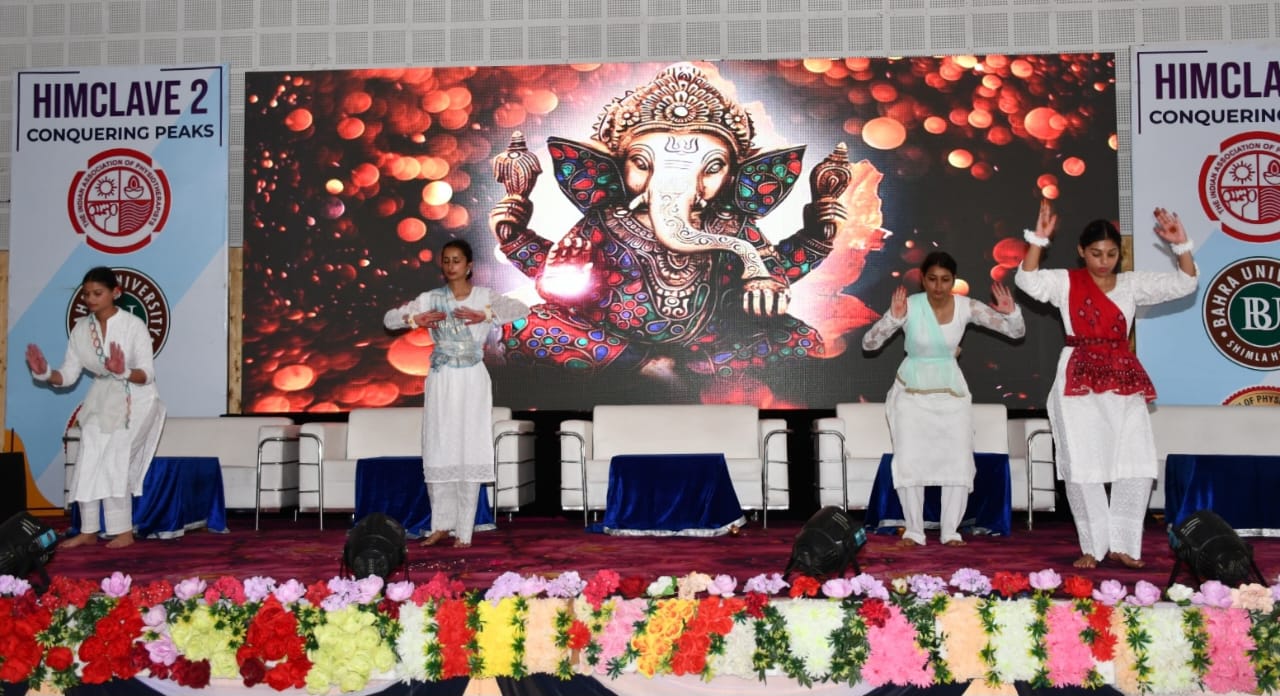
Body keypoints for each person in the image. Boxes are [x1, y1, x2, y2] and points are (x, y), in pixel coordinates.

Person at [1016, 202, 1198, 569]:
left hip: (1122, 378)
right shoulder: (1065, 282)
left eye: (1112, 254)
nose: (1104, 261)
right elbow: (1027, 280)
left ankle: (1124, 544)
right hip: (1077, 381)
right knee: (1082, 462)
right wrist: (1038, 240)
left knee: (1136, 461)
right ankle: (1093, 546)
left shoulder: (1131, 285)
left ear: (1120, 254)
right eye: (1096, 253)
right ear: (1082, 251)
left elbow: (1185, 283)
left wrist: (1181, 245)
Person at [862, 251, 1025, 547]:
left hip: (952, 394)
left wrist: (1010, 311)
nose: (938, 286)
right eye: (932, 279)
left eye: (945, 280)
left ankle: (951, 531)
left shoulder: (966, 306)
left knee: (958, 459)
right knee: (909, 459)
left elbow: (1016, 332)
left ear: (954, 280)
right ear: (923, 280)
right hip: (910, 394)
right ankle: (914, 531)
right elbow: (869, 344)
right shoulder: (909, 306)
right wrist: (893, 318)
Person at [384, 240, 530, 548]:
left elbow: (521, 309)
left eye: (457, 260)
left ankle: (464, 530)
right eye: (446, 260)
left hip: (472, 378)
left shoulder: (483, 296)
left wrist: (485, 315)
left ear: (469, 265)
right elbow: (389, 319)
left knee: (468, 445)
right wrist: (414, 320)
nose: (451, 266)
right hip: (442, 378)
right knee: (440, 445)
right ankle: (440, 525)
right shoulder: (431, 298)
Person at [25, 266, 166, 549]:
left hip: (138, 399)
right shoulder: (81, 329)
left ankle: (122, 531)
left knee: (115, 457)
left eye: (97, 293)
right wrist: (45, 373)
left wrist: (123, 370)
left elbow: (147, 374)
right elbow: (68, 375)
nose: (90, 299)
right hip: (101, 399)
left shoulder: (133, 325)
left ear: (116, 292)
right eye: (86, 294)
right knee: (88, 457)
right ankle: (88, 530)